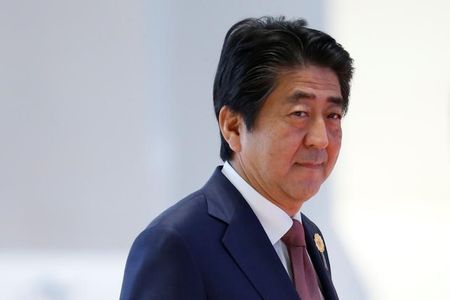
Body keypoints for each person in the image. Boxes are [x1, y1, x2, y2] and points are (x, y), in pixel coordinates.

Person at [120, 16, 353, 300]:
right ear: (232, 126)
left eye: (332, 116)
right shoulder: (175, 243)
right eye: (299, 114)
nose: (320, 138)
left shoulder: (307, 239)